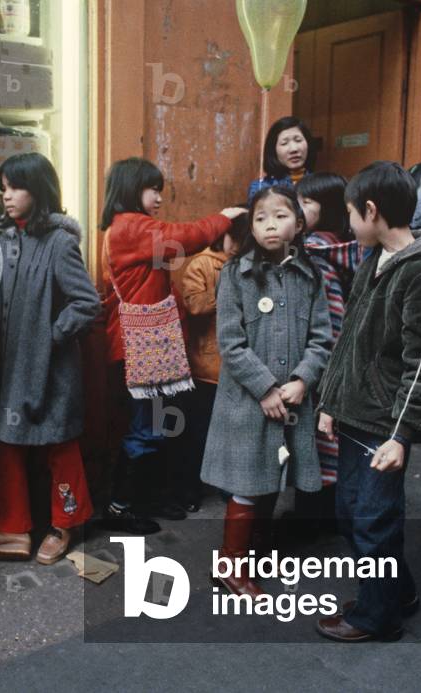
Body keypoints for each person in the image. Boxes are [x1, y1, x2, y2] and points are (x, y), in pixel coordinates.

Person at [315, 162, 421, 642]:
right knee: (351, 515)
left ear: (372, 210)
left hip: (385, 422)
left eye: (350, 215)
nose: (347, 226)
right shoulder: (374, 256)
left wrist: (402, 436)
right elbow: (350, 339)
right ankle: (396, 593)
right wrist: (330, 401)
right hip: (355, 411)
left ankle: (377, 619)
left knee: (374, 520)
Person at [100, 157, 246, 534]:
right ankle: (121, 506)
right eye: (153, 189)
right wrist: (224, 217)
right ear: (132, 189)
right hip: (143, 345)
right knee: (146, 427)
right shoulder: (129, 226)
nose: (159, 198)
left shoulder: (129, 227)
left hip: (150, 343)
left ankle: (145, 497)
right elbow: (184, 237)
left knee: (156, 423)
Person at [0, 152, 100, 566]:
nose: (6, 197)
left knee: (59, 448)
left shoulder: (60, 243)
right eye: (3, 188)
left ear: (38, 190)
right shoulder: (4, 239)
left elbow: (87, 303)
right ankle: (13, 530)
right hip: (9, 366)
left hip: (51, 371)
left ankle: (66, 524)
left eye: (15, 188)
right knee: (7, 445)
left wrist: (50, 338)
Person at [200, 185, 332, 597]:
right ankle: (229, 565)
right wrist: (265, 389)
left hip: (292, 400)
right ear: (250, 227)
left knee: (273, 474)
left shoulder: (310, 276)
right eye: (260, 218)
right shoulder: (235, 276)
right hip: (246, 402)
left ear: (298, 222)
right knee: (246, 480)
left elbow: (322, 337)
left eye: (280, 215)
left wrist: (301, 380)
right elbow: (231, 344)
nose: (270, 224)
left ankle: (255, 551)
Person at [279, 172, 351, 540]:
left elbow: (330, 319)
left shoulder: (319, 254)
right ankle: (322, 516)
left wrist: (313, 369)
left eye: (307, 202)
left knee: (315, 445)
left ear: (330, 208)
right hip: (330, 366)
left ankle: (313, 522)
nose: (298, 207)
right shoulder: (340, 246)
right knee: (326, 443)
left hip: (320, 366)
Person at [177, 209, 249, 512]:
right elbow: (194, 305)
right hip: (206, 365)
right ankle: (190, 490)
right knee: (198, 432)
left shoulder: (248, 264)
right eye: (237, 238)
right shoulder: (203, 264)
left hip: (237, 365)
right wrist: (229, 292)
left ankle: (225, 486)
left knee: (233, 432)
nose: (240, 246)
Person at [247, 116, 317, 205]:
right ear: (273, 150)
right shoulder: (260, 187)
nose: (293, 149)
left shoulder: (321, 185)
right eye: (284, 143)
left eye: (298, 140)